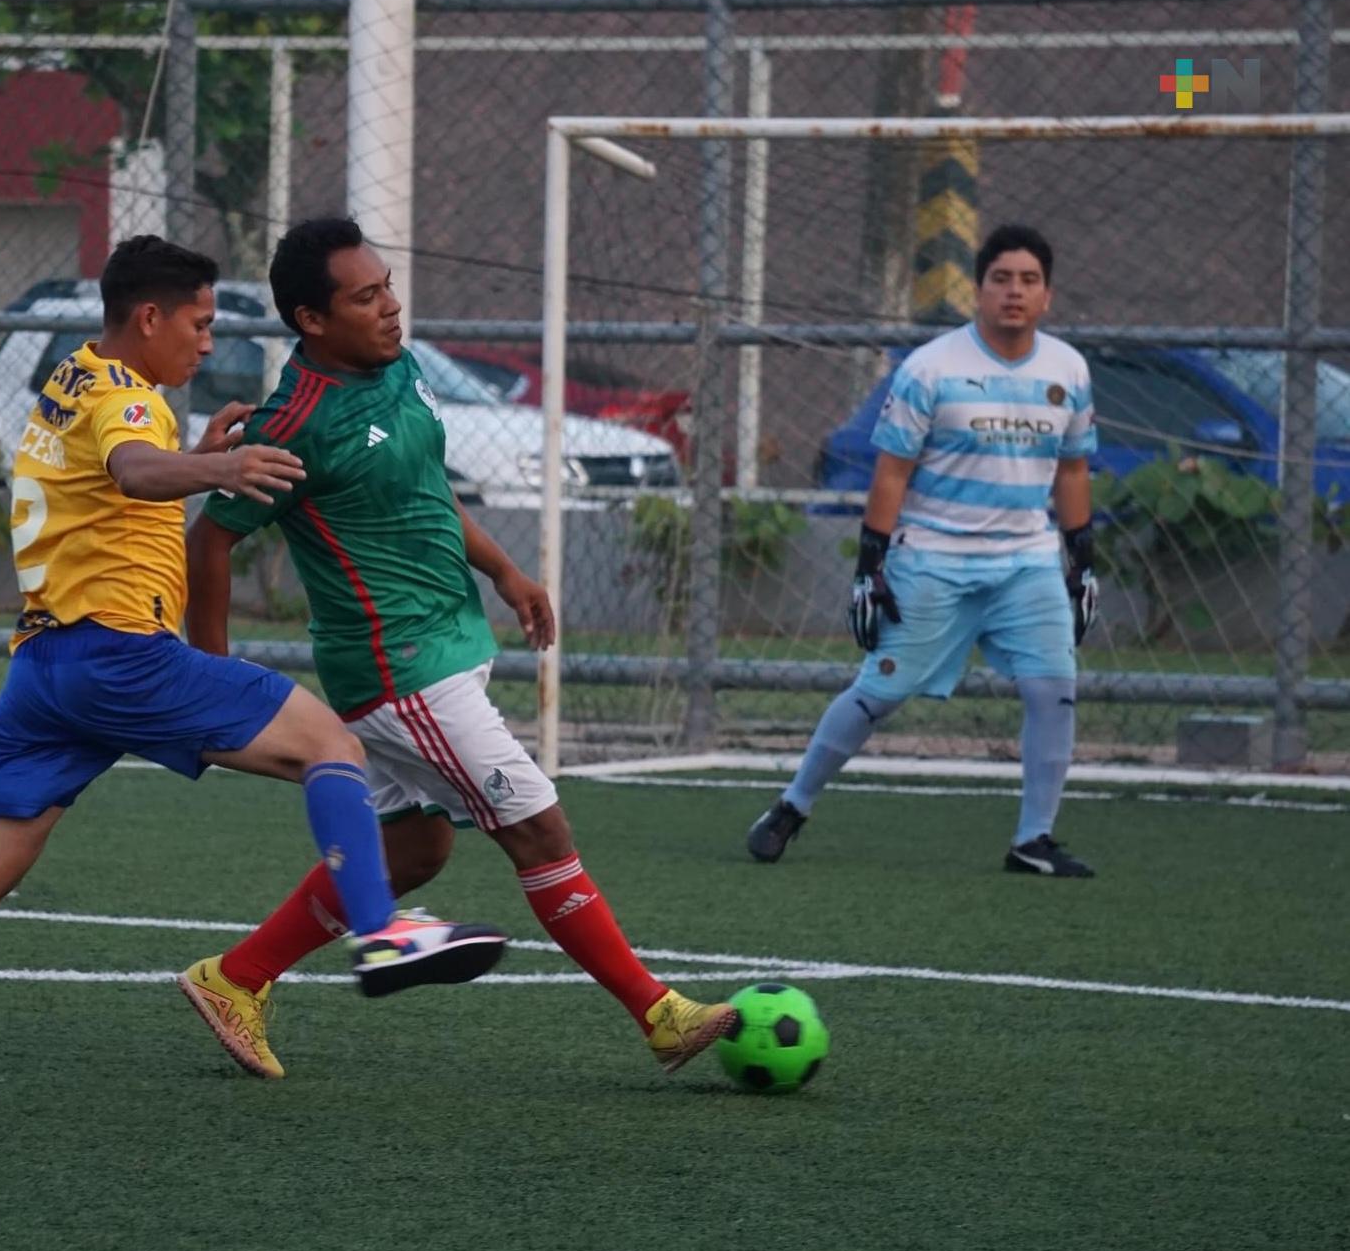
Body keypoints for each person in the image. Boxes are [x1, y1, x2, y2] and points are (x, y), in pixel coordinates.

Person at [0, 235, 508, 1116]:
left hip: (46, 667)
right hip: (119, 655)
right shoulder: (129, 401)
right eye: (198, 323)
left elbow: (117, 475)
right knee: (327, 742)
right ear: (148, 317)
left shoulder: (79, 375)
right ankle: (379, 929)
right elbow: (134, 470)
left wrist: (196, 447)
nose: (204, 342)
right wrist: (217, 464)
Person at [178, 217, 737, 1080]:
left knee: (414, 852)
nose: (391, 306)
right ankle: (659, 1013)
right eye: (365, 297)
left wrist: (509, 573)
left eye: (387, 285)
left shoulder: (395, 367)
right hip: (399, 669)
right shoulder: (295, 424)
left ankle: (235, 977)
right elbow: (210, 539)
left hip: (446, 641)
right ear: (312, 319)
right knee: (540, 830)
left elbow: (425, 486)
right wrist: (212, 680)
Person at [746, 223, 1100, 878]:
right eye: (1000, 279)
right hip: (932, 559)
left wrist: (1079, 560)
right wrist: (868, 566)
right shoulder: (930, 367)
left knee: (1054, 688)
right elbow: (891, 472)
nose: (1013, 293)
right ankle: (792, 805)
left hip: (1025, 563)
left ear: (1046, 295)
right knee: (880, 693)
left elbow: (1072, 470)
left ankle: (1033, 840)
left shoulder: (1067, 370)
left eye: (1027, 281)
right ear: (978, 289)